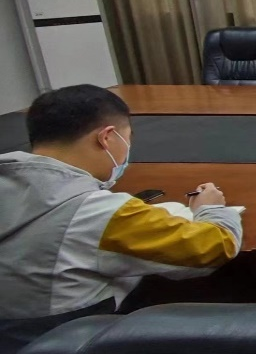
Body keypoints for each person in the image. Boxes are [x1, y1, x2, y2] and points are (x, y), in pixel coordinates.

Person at [0, 85, 241, 352]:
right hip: (67, 339)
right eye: (127, 140)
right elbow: (214, 247)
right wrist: (212, 209)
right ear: (107, 138)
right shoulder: (99, 213)